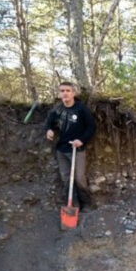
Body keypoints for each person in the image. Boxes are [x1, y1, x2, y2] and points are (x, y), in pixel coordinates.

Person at [44, 81, 96, 210]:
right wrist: (49, 130)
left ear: (73, 93)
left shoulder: (81, 108)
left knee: (79, 179)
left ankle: (87, 204)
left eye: (68, 90)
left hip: (77, 150)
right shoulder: (57, 110)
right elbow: (48, 123)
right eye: (62, 91)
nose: (65, 93)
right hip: (61, 150)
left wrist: (81, 140)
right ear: (59, 93)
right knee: (67, 180)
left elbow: (91, 127)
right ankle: (74, 205)